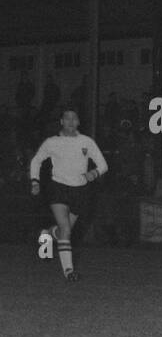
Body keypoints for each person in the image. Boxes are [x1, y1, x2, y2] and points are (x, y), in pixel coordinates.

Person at [28, 109, 107, 282]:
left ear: (78, 122)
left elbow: (103, 165)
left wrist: (93, 174)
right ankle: (69, 272)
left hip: (80, 191)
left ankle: (47, 234)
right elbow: (36, 160)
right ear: (61, 122)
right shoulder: (52, 142)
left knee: (65, 231)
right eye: (67, 118)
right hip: (58, 188)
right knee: (66, 229)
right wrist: (35, 181)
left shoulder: (87, 141)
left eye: (74, 118)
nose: (71, 121)